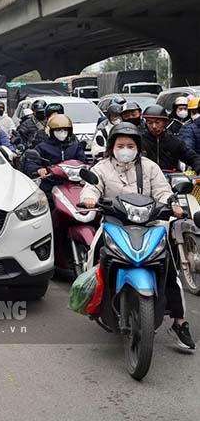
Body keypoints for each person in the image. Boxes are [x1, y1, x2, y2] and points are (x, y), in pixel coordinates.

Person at [81, 122, 194, 350]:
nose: (125, 149)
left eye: (130, 145)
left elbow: (162, 189)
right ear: (112, 146)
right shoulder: (101, 168)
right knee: (96, 256)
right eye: (120, 145)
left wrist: (171, 204)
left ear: (138, 147)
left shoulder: (150, 167)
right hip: (115, 224)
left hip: (150, 224)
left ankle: (179, 322)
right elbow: (91, 187)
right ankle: (93, 303)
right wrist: (89, 198)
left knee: (169, 269)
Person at [23, 114, 86, 194]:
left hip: (73, 184)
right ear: (50, 131)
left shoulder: (75, 147)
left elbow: (83, 162)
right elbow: (31, 162)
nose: (62, 133)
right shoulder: (42, 147)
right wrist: (38, 169)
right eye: (58, 130)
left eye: (65, 130)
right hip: (50, 185)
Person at [141, 105, 200, 173]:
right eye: (150, 123)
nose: (154, 126)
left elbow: (192, 157)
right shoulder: (140, 141)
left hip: (170, 179)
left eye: (157, 122)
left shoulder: (175, 142)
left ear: (165, 123)